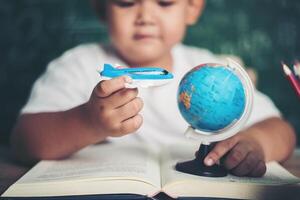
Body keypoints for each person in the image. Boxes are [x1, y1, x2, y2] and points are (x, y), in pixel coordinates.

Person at [11, 0, 296, 177]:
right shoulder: (78, 64)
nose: (145, 15)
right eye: (126, 3)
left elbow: (282, 131)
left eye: (164, 2)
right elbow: (25, 142)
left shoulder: (212, 72)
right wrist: (87, 122)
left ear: (192, 7)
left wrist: (256, 143)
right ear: (100, 8)